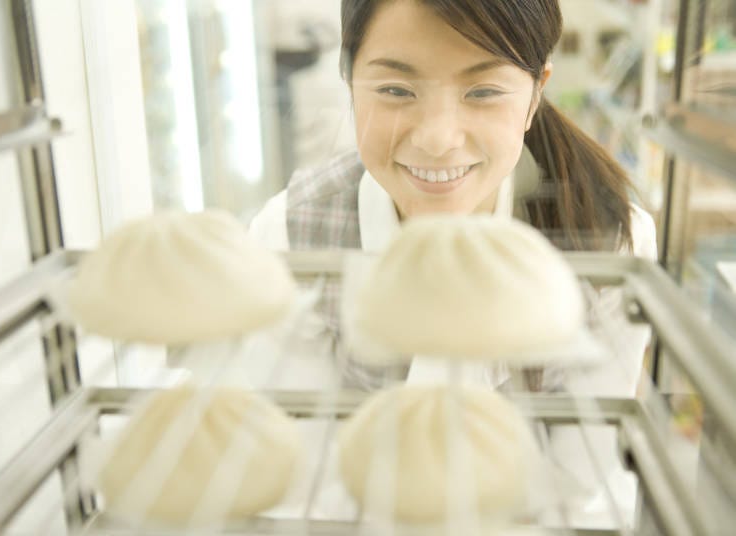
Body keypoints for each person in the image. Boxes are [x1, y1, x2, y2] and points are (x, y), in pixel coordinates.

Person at [249, 1, 657, 528]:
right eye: (396, 90)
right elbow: (304, 485)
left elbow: (582, 485)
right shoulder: (291, 238)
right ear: (349, 78)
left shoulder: (608, 246)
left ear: (535, 95)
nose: (438, 139)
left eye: (483, 92)